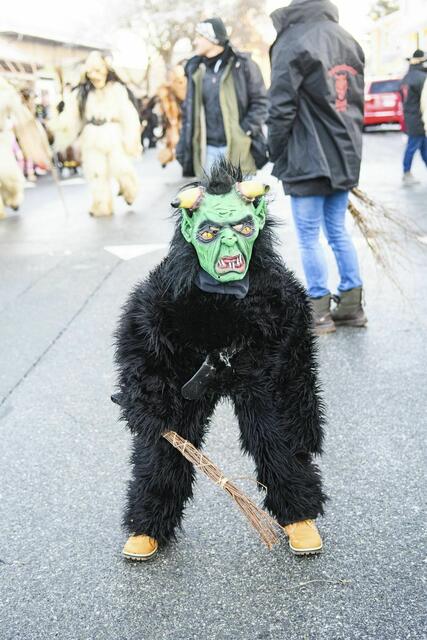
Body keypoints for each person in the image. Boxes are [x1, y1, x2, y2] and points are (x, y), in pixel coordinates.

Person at [114, 160, 326, 561]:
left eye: (241, 229)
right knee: (167, 441)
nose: (229, 244)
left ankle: (297, 510)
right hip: (192, 367)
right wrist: (146, 400)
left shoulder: (279, 290)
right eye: (212, 232)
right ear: (190, 230)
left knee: (277, 428)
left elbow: (298, 370)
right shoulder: (164, 292)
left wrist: (302, 415)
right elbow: (141, 348)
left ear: (257, 223)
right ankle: (150, 521)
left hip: (254, 366)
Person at [267, 0, 367, 335]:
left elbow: (281, 105)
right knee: (337, 231)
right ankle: (352, 306)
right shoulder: (347, 39)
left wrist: (275, 149)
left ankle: (319, 310)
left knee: (309, 236)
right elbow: (355, 103)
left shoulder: (292, 39)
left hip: (307, 155)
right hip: (344, 152)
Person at [51, 52, 141, 217]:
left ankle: (129, 191)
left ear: (106, 70)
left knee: (122, 168)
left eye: (97, 70)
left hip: (113, 134)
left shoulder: (117, 89)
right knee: (95, 172)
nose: (94, 75)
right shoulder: (81, 94)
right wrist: (57, 124)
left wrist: (131, 138)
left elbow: (129, 115)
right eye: (90, 72)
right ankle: (101, 205)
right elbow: (71, 117)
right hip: (91, 137)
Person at [176, 17, 268, 178]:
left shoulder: (243, 65)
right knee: (209, 195)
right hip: (207, 151)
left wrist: (243, 131)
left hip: (239, 149)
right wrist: (184, 145)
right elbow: (188, 112)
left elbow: (261, 102)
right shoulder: (196, 70)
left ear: (214, 39)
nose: (195, 41)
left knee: (240, 195)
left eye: (200, 36)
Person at [400, 49, 427, 185]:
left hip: (410, 117)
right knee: (413, 146)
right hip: (419, 118)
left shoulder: (407, 77)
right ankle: (406, 172)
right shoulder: (422, 78)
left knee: (423, 147)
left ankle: (407, 172)